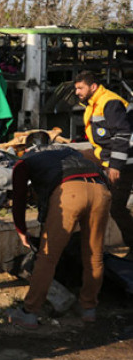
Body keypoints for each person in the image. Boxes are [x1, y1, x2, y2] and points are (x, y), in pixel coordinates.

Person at [8, 132, 111, 328]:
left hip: (70, 193)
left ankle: (29, 312)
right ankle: (88, 308)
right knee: (94, 254)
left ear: (26, 148)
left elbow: (19, 198)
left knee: (47, 257)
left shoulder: (26, 160)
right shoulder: (69, 150)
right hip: (100, 190)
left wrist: (21, 229)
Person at [73, 70, 133, 255]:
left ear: (93, 86)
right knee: (76, 158)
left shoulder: (109, 102)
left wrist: (115, 166)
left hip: (124, 162)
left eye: (80, 88)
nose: (77, 92)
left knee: (116, 207)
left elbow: (123, 134)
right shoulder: (94, 102)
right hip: (106, 156)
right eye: (76, 88)